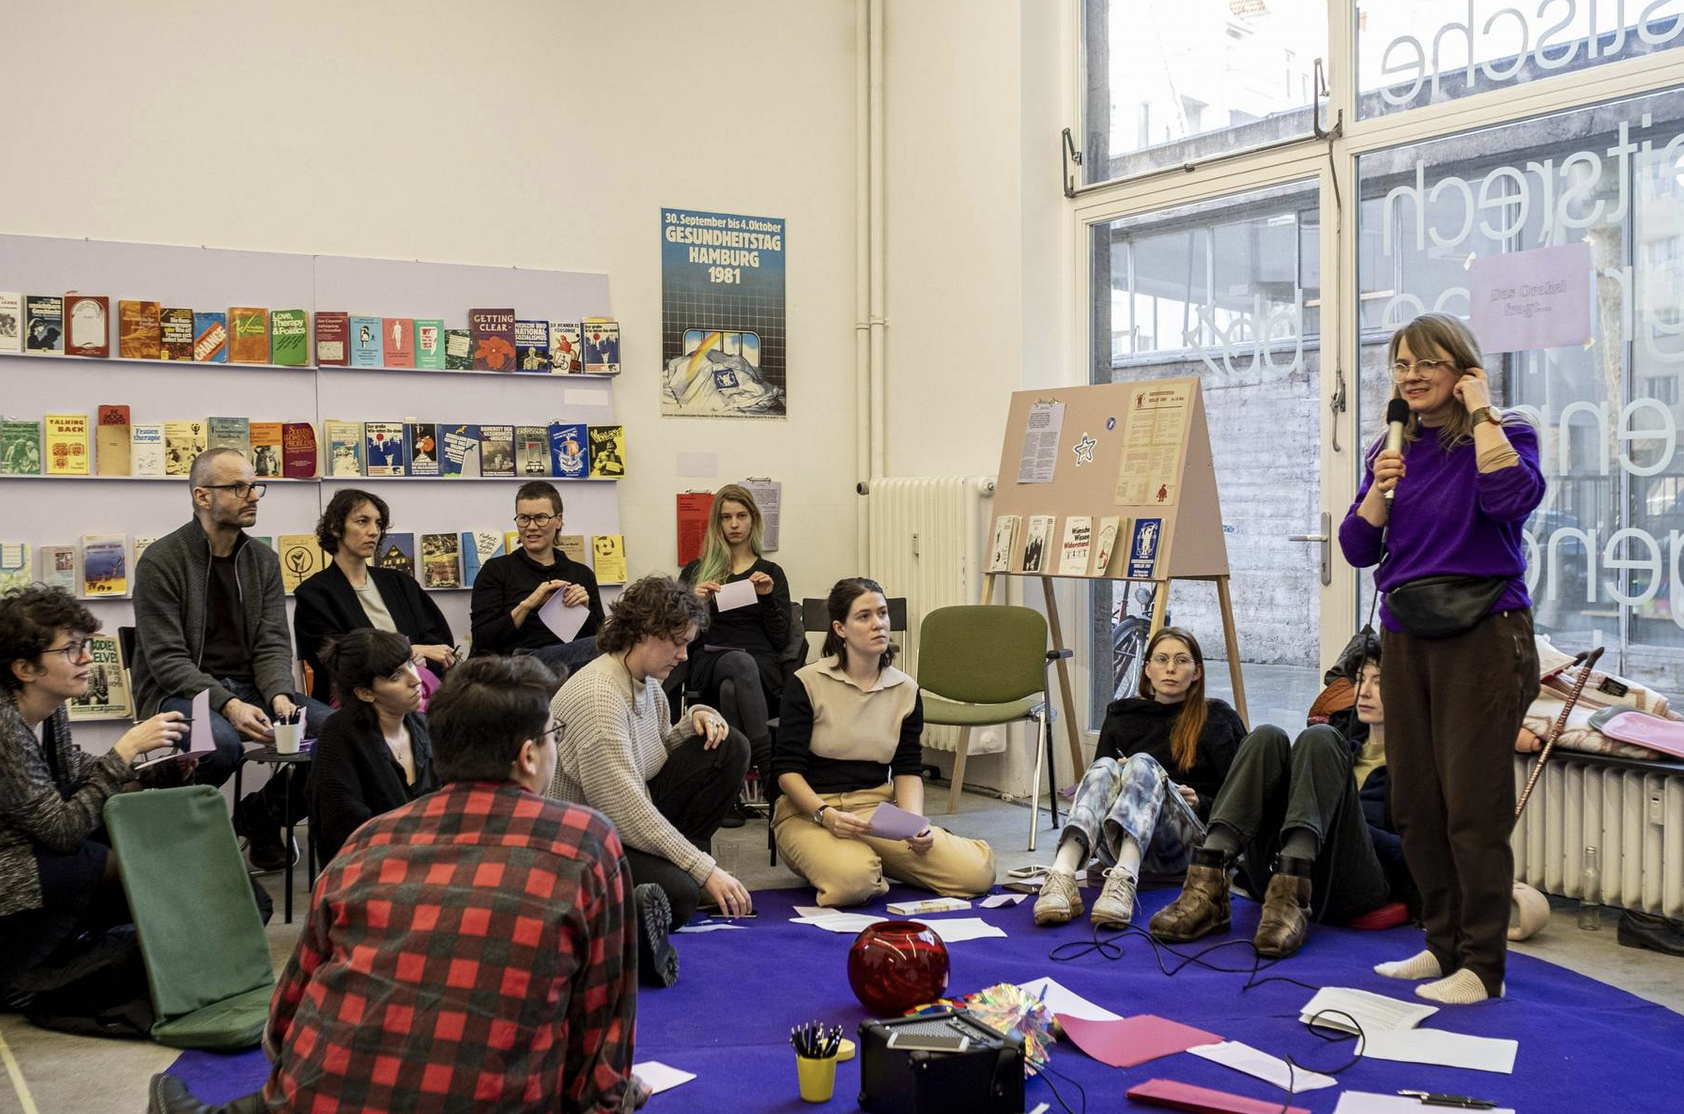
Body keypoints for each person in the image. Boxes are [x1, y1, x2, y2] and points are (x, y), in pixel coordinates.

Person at [146, 656, 649, 1114]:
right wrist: (613, 1098)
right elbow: (600, 1031)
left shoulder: (369, 841)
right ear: (528, 755)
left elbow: (283, 1022)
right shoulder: (585, 842)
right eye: (552, 734)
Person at [1339, 311, 1544, 1005]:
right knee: (1415, 803)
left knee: (1472, 808)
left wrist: (1483, 413)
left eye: (1428, 362)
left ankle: (1482, 969)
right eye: (1401, 365)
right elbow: (1357, 549)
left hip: (1485, 633)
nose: (1412, 376)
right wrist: (1378, 488)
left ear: (1463, 370)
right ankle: (1441, 944)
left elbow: (1510, 499)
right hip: (1406, 634)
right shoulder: (1391, 450)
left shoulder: (1508, 433)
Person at [129, 448, 332, 871]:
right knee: (219, 746)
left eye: (254, 485)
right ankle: (170, 837)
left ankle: (261, 818)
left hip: (254, 690)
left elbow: (274, 643)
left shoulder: (263, 561)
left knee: (338, 734)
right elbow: (167, 660)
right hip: (179, 694)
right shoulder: (161, 562)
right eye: (238, 487)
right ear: (202, 496)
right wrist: (228, 703)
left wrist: (278, 694)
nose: (253, 495)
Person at [1150, 634, 1417, 957]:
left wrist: (1337, 815)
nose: (1365, 691)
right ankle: (1207, 885)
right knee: (1267, 736)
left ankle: (1293, 887)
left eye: (1380, 681)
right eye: (1361, 679)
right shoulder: (1347, 744)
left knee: (1319, 737)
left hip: (1353, 888)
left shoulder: (1418, 766)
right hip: (1274, 882)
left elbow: (1414, 855)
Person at [549, 575, 753, 988]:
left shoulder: (646, 684)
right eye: (676, 642)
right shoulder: (599, 696)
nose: (683, 655)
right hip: (577, 845)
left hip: (616, 820)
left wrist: (692, 722)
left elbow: (652, 757)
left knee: (730, 746)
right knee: (679, 894)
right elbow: (626, 810)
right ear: (642, 632)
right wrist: (704, 870)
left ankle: (666, 880)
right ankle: (615, 931)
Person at [0, 586, 187, 997]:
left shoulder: (49, 708)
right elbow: (63, 829)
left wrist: (147, 769)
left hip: (37, 849)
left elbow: (76, 769)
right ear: (24, 669)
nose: (86, 658)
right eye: (70, 650)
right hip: (13, 871)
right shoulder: (5, 728)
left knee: (135, 823)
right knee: (120, 863)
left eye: (84, 645)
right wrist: (125, 751)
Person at [773, 577, 996, 907]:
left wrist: (914, 824)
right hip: (810, 813)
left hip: (875, 814)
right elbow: (786, 770)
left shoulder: (905, 690)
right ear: (840, 628)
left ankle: (866, 857)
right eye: (864, 616)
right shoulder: (807, 682)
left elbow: (907, 768)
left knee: (976, 874)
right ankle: (852, 861)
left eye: (882, 613)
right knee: (853, 882)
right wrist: (826, 816)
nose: (878, 624)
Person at [1033, 626, 1244, 929]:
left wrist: (1199, 801)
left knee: (1143, 762)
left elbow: (1240, 801)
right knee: (1107, 765)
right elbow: (1097, 789)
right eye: (1161, 659)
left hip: (1184, 843)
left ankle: (1125, 880)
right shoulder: (1122, 714)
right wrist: (1122, 776)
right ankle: (1062, 874)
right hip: (1115, 840)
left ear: (1197, 672)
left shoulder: (1218, 718)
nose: (1170, 668)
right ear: (1147, 669)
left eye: (1181, 661)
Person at [678, 483, 791, 797]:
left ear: (753, 519)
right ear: (717, 523)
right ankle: (770, 772)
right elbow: (677, 636)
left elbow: (781, 639)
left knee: (734, 686)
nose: (734, 524)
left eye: (741, 516)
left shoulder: (771, 571)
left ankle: (729, 788)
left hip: (759, 664)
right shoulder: (696, 571)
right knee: (735, 665)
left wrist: (767, 598)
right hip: (711, 659)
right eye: (726, 517)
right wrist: (693, 603)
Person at [293, 488, 456, 704]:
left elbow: (439, 644)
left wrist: (421, 659)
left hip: (418, 692)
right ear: (335, 528)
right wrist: (406, 652)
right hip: (356, 701)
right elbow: (334, 658)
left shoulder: (401, 582)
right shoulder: (314, 593)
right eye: (362, 521)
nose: (374, 531)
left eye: (378, 523)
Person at [308, 629, 436, 863]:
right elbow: (343, 825)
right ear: (365, 693)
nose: (416, 679)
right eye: (396, 676)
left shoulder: (423, 725)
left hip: (425, 860)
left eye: (410, 663)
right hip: (369, 867)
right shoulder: (338, 733)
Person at [470, 480, 604, 673]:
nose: (531, 527)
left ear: (558, 520)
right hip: (517, 665)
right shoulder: (496, 570)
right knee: (608, 649)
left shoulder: (581, 574)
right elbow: (482, 640)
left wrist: (584, 611)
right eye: (524, 518)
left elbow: (599, 636)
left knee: (613, 646)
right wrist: (528, 605)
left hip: (573, 666)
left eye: (540, 517)